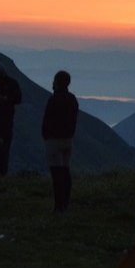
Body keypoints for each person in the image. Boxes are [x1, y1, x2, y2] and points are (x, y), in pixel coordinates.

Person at [41, 70, 79, 212]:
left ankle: (59, 206)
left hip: (54, 141)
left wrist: (46, 136)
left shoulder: (53, 99)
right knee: (65, 171)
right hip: (68, 140)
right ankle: (66, 203)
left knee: (56, 173)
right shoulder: (72, 99)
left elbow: (47, 119)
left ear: (57, 82)